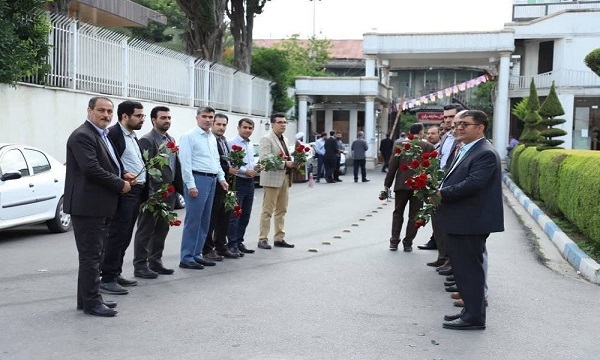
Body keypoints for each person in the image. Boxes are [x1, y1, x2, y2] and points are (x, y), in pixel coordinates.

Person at [65, 96, 134, 317]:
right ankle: (92, 302)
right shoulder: (82, 136)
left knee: (93, 254)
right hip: (88, 206)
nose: (106, 115)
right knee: (91, 256)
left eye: (109, 111)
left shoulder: (100, 135)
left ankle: (87, 299)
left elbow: (107, 163)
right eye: (101, 110)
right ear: (89, 110)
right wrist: (120, 183)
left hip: (99, 205)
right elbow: (91, 168)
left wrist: (123, 173)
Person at [437, 110, 504, 330]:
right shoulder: (467, 149)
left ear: (480, 127)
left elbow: (473, 184)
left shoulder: (484, 152)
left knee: (470, 271)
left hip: (471, 221)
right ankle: (469, 311)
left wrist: (441, 194)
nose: (458, 128)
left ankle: (474, 317)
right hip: (463, 219)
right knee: (463, 270)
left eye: (464, 124)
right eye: (456, 124)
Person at [100, 101, 148, 295]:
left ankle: (115, 272)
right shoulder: (113, 134)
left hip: (136, 191)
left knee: (126, 234)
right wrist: (122, 179)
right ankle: (108, 277)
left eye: (143, 116)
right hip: (124, 191)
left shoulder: (132, 136)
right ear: (125, 116)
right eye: (139, 116)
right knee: (117, 234)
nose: (142, 119)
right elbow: (110, 163)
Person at [132, 106, 183, 278]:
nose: (167, 121)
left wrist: (179, 189)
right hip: (153, 194)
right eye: (163, 118)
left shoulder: (171, 139)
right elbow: (145, 169)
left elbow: (175, 166)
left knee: (162, 229)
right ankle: (140, 266)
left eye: (169, 118)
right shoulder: (147, 140)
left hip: (169, 192)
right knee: (145, 230)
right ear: (154, 120)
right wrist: (147, 195)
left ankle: (155, 262)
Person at [178, 106, 229, 269]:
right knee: (193, 221)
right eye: (205, 116)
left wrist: (221, 177)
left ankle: (197, 253)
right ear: (197, 117)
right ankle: (186, 256)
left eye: (210, 117)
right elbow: (185, 163)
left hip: (212, 179)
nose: (208, 120)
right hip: (197, 179)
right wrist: (190, 184)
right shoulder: (189, 136)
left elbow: (215, 160)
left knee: (205, 221)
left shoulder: (211, 138)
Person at [384, 123, 435, 252]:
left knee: (397, 213)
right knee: (414, 215)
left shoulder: (400, 145)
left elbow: (392, 166)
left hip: (402, 184)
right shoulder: (428, 146)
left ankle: (394, 241)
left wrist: (387, 185)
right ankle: (408, 243)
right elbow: (431, 168)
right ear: (421, 132)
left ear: (410, 132)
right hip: (420, 186)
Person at [203, 113, 240, 261]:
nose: (221, 127)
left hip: (227, 184)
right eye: (218, 124)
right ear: (212, 124)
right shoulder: (209, 139)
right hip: (215, 183)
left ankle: (221, 246)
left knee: (224, 217)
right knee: (211, 218)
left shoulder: (223, 140)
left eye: (224, 125)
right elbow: (212, 161)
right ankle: (207, 249)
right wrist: (227, 169)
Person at [257, 112, 296, 250]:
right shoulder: (266, 139)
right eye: (279, 122)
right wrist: (285, 163)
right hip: (272, 179)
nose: (283, 125)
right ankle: (263, 239)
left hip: (285, 177)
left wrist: (293, 162)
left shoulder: (285, 139)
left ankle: (279, 238)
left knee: (282, 210)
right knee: (267, 211)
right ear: (272, 124)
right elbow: (265, 159)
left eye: (285, 122)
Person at [227, 118, 258, 256]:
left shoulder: (250, 145)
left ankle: (239, 242)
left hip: (250, 183)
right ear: (238, 128)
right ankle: (231, 244)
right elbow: (231, 163)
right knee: (235, 214)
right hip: (237, 181)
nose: (247, 130)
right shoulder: (231, 143)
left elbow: (250, 163)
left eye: (250, 128)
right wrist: (246, 170)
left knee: (245, 214)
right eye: (245, 127)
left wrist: (256, 168)